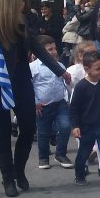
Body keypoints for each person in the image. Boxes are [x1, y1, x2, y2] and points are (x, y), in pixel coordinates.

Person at [0, 0, 72, 197]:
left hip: (21, 78)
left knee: (29, 127)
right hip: (0, 82)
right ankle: (7, 178)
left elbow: (37, 47)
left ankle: (19, 170)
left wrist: (59, 70)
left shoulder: (21, 19)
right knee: (3, 132)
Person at [69, 50, 100, 190]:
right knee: (83, 153)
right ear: (87, 69)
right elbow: (74, 109)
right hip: (86, 127)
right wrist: (75, 126)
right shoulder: (81, 87)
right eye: (98, 68)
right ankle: (79, 174)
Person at [31, 35, 73, 170]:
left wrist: (68, 83)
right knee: (43, 132)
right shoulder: (33, 67)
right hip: (43, 105)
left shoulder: (60, 65)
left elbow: (65, 84)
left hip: (60, 103)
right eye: (49, 50)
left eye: (54, 48)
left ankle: (60, 154)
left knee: (65, 127)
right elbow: (30, 86)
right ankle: (43, 157)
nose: (54, 52)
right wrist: (35, 102)